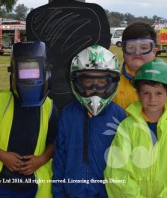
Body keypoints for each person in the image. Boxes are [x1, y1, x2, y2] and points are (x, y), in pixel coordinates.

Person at [104, 59, 167, 198]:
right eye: (146, 93)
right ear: (138, 93)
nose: (152, 99)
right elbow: (117, 172)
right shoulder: (126, 128)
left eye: (159, 93)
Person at [0, 41, 59, 198]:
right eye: (24, 70)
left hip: (35, 187)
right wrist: (3, 156)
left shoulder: (50, 108)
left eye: (34, 70)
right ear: (13, 72)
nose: (29, 79)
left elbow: (55, 140)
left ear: (45, 72)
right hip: (3, 186)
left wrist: (41, 159)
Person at [52, 45, 126, 198]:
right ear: (76, 82)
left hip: (108, 193)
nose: (94, 89)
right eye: (88, 82)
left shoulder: (119, 116)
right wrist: (58, 193)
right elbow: (60, 158)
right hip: (72, 193)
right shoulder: (68, 114)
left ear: (111, 82)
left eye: (101, 83)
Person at [112, 21, 167, 119]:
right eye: (131, 47)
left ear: (154, 51)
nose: (137, 53)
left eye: (144, 48)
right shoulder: (112, 84)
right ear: (123, 51)